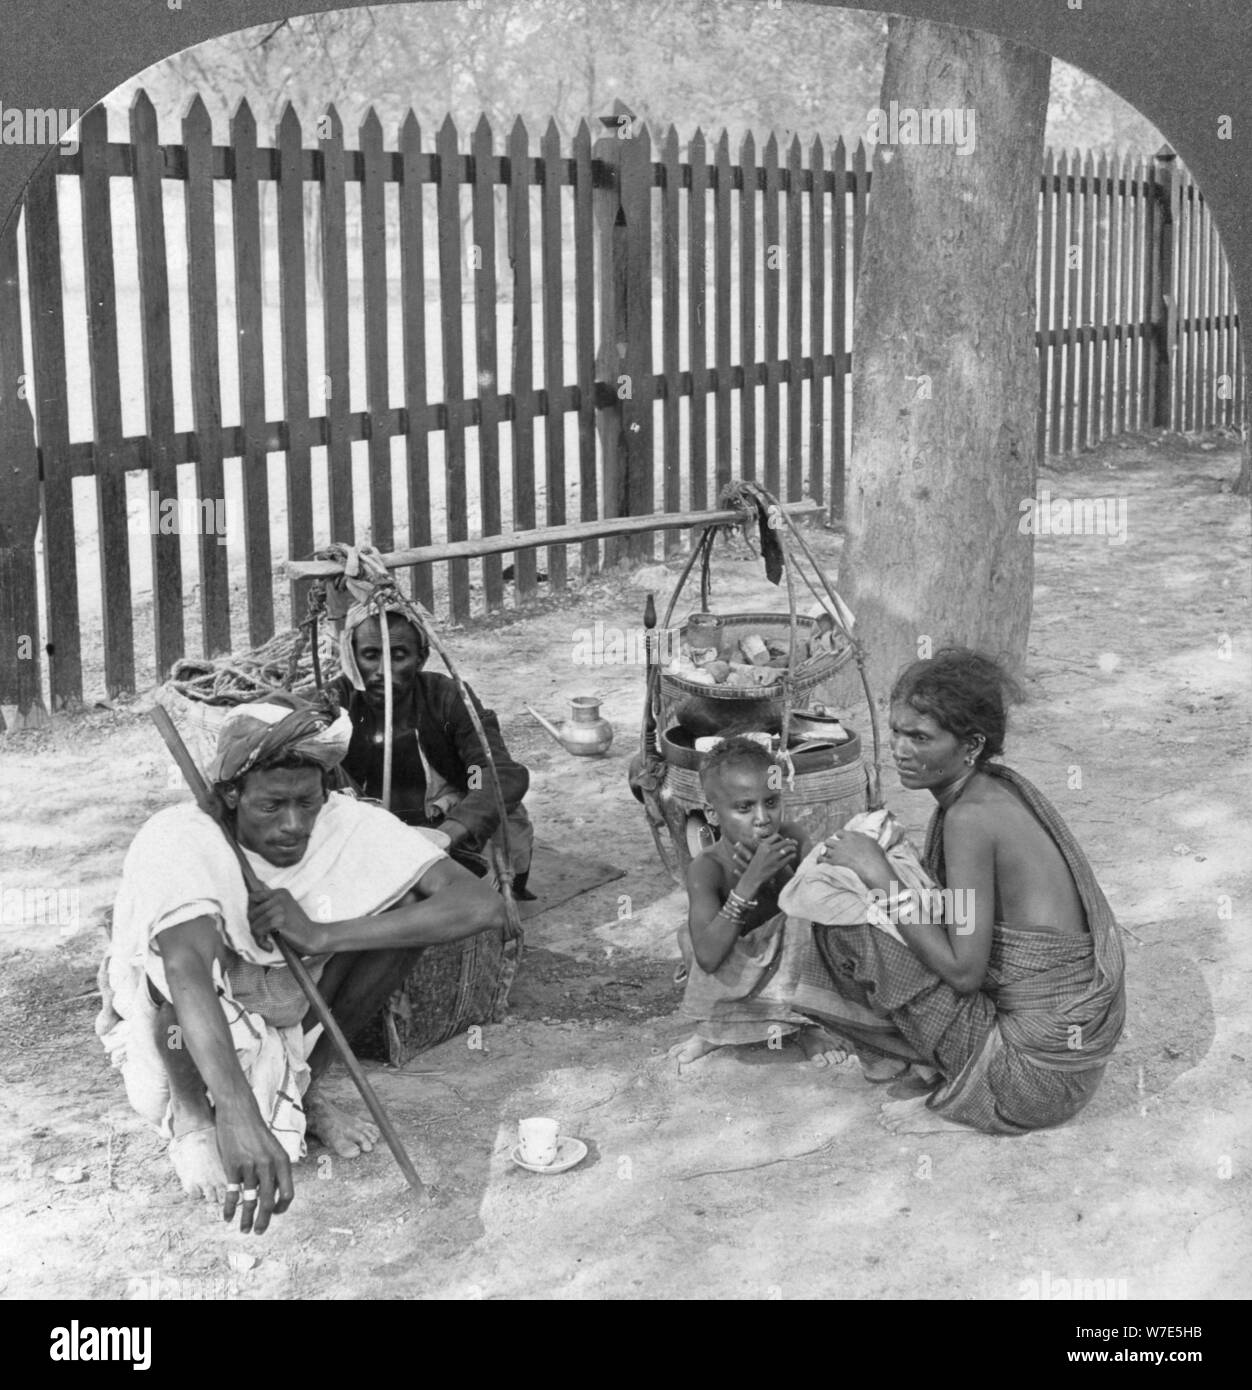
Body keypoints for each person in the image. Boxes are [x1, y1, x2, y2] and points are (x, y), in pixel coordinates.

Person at [96, 692, 506, 1234]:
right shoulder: (181, 837)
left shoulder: (343, 821)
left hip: (295, 986)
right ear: (230, 797)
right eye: (271, 806)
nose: (294, 823)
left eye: (306, 802)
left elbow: (481, 905)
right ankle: (194, 1121)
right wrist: (237, 1114)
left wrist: (320, 931)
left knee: (405, 911)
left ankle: (309, 1093)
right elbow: (185, 974)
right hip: (188, 1016)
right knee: (178, 971)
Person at [779, 647, 1126, 1135]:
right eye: (897, 731)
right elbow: (967, 913)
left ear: (971, 745)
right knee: (875, 906)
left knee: (844, 926)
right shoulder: (989, 790)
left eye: (920, 737)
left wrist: (883, 877)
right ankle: (925, 1060)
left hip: (1030, 1081)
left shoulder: (968, 819)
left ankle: (951, 1078)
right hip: (1065, 1066)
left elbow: (964, 972)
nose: (900, 748)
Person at [329, 600, 536, 898]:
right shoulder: (337, 701)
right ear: (353, 657)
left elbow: (487, 768)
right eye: (370, 656)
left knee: (499, 814)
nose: (382, 671)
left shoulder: (446, 697)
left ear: (421, 658)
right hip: (365, 827)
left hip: (445, 819)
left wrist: (454, 828)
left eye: (398, 656)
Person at [666, 737, 851, 1069]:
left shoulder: (793, 838)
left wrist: (781, 875)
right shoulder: (707, 867)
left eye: (772, 801)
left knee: (806, 921)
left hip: (785, 965)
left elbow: (823, 914)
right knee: (692, 938)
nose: (763, 818)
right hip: (732, 966)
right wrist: (748, 885)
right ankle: (713, 1031)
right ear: (712, 813)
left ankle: (805, 1026)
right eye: (744, 807)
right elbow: (708, 958)